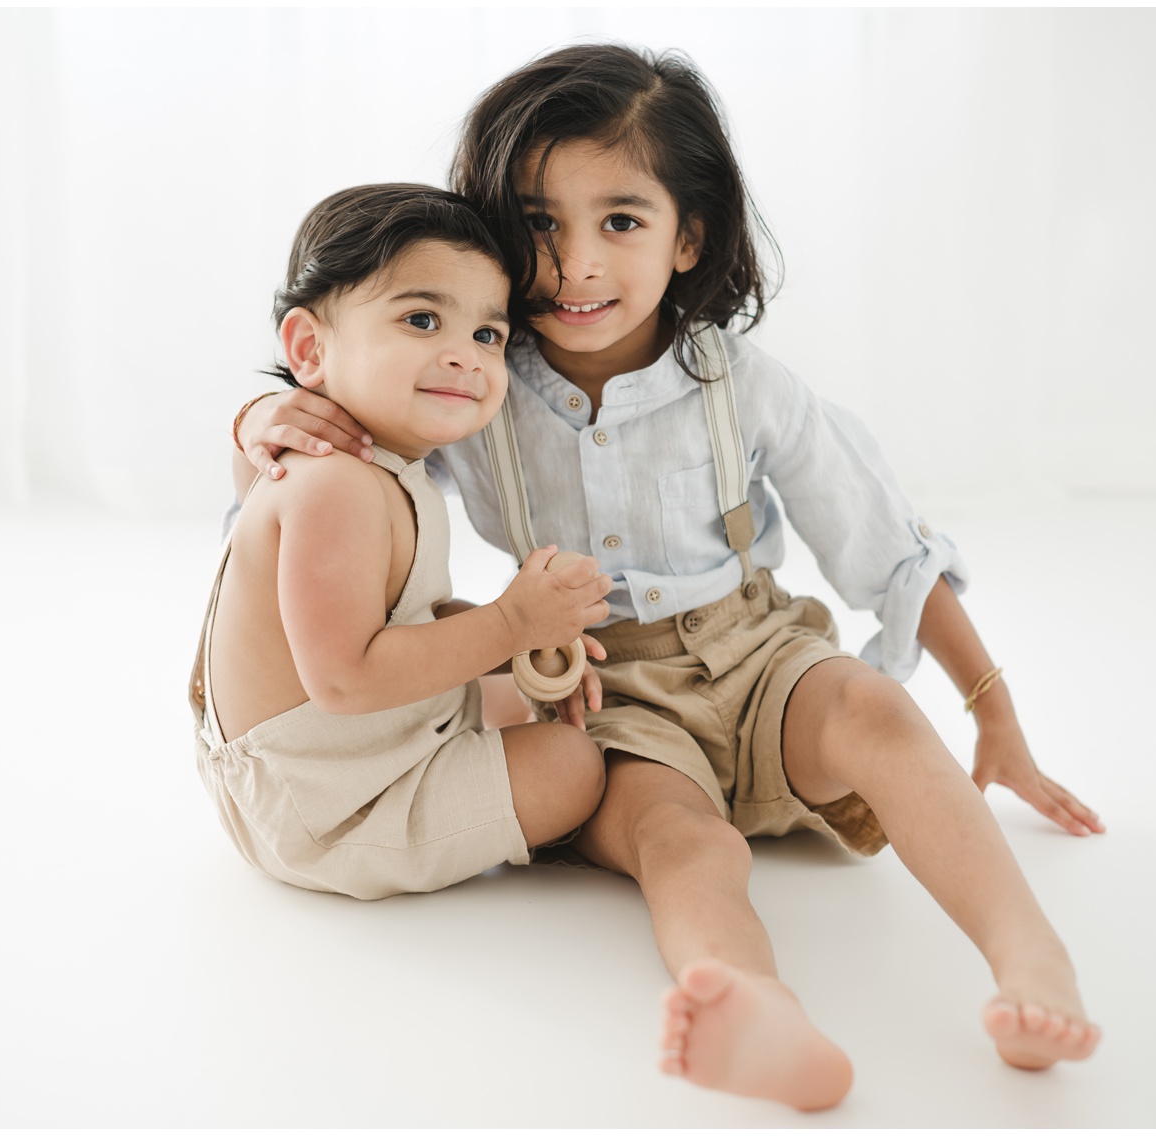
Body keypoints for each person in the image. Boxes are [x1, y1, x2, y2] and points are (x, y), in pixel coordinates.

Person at [234, 48, 1104, 1109]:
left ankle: (1027, 955)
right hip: (600, 686)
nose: (572, 264)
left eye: (620, 221)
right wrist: (263, 416)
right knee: (675, 839)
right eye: (537, 223)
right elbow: (325, 467)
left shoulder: (741, 386)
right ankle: (753, 1007)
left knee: (871, 710)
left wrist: (992, 706)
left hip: (754, 647)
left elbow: (885, 548)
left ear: (688, 236)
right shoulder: (474, 379)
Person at [192, 183, 613, 902]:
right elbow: (346, 678)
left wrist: (521, 646)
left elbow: (396, 621)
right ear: (308, 349)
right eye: (422, 319)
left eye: (488, 335)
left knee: (514, 699)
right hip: (324, 809)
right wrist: (510, 621)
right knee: (573, 766)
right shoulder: (335, 488)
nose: (464, 356)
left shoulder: (386, 467)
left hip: (340, 758)